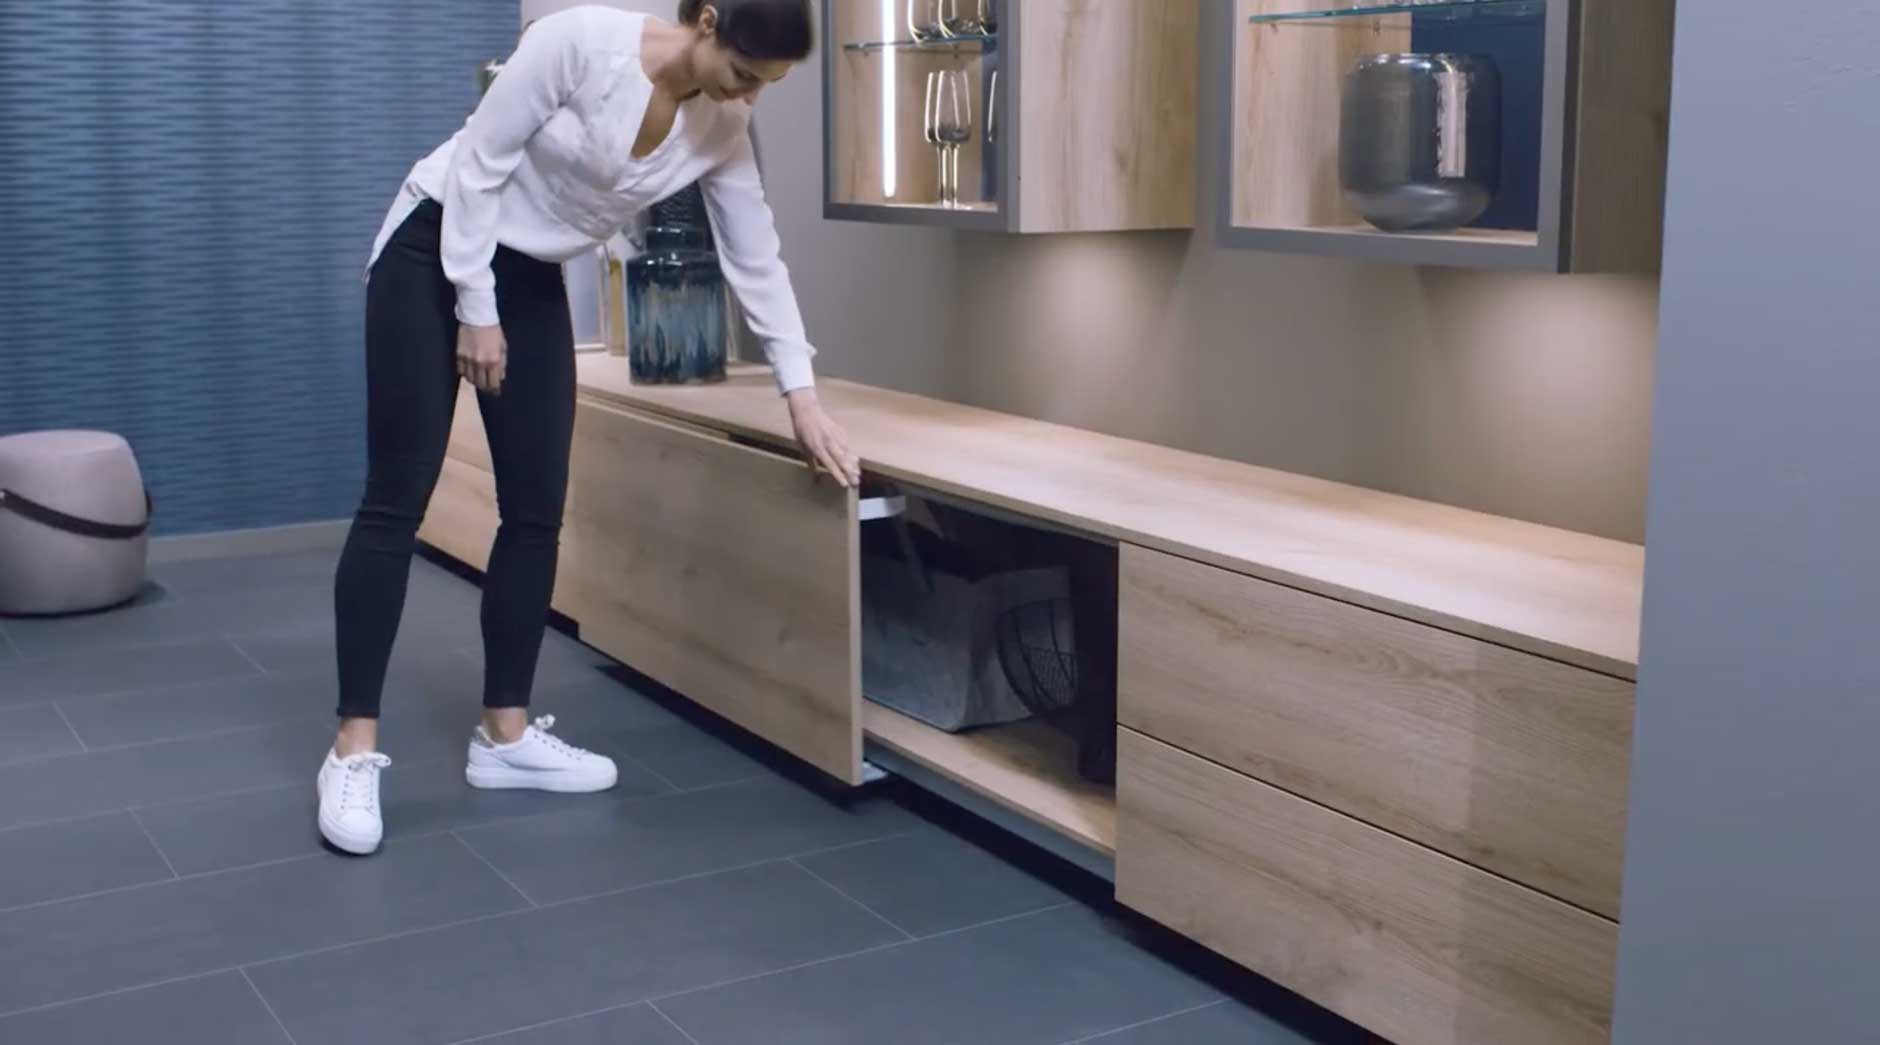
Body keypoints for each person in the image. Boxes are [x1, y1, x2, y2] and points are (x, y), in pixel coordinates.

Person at [319, 0, 859, 856]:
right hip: (435, 243)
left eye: (766, 86)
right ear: (707, 21)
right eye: (744, 73)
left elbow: (756, 255)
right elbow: (481, 164)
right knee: (399, 493)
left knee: (536, 507)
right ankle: (351, 749)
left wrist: (802, 394)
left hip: (530, 271)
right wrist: (475, 308)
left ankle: (503, 736)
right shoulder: (579, 44)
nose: (749, 96)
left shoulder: (720, 125)